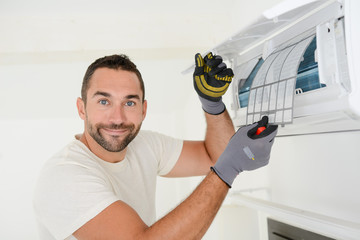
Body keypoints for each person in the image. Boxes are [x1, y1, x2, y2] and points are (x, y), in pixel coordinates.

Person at [33, 53, 277, 240]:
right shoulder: (65, 175)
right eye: (104, 101)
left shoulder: (145, 145)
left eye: (129, 102)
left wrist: (212, 103)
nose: (117, 117)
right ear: (82, 108)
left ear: (143, 110)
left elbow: (214, 155)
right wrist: (230, 166)